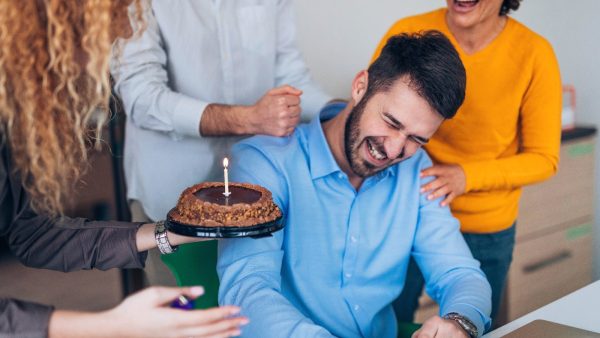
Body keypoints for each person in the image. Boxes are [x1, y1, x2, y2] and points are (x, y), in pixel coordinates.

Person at [218, 31, 492, 338]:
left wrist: (460, 323)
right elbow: (247, 291)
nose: (393, 150)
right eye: (391, 122)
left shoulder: (416, 170)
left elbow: (459, 273)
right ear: (360, 86)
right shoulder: (265, 163)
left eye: (416, 138)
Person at [0, 1, 247, 337]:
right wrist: (110, 325)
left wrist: (170, 232)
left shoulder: (13, 115)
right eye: (112, 19)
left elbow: (32, 235)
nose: (125, 32)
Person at [111, 0, 333, 286]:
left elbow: (291, 77)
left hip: (260, 185)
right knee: (182, 317)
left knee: (248, 308)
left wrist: (348, 111)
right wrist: (248, 119)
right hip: (170, 189)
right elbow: (143, 98)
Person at [371, 0, 561, 325]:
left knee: (473, 324)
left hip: (486, 227)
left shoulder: (534, 53)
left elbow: (544, 159)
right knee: (386, 322)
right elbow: (372, 113)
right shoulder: (407, 34)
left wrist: (465, 176)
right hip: (409, 212)